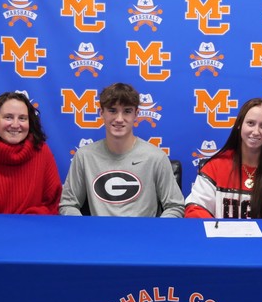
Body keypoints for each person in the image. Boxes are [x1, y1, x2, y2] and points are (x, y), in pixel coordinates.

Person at [59, 83, 184, 217]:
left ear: (136, 114)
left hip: (143, 231)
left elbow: (175, 206)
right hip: (98, 231)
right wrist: (86, 228)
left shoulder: (156, 157)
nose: (119, 119)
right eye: (112, 110)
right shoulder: (84, 156)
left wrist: (153, 229)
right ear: (101, 113)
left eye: (127, 111)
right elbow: (68, 204)